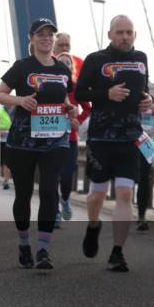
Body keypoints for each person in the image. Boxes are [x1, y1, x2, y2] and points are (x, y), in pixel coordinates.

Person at [0, 18, 76, 269]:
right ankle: (23, 243)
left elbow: (62, 98)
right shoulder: (22, 67)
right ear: (31, 39)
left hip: (55, 140)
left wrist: (68, 108)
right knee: (24, 194)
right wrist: (19, 102)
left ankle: (43, 249)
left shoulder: (62, 70)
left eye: (50, 34)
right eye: (40, 34)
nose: (46, 38)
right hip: (23, 142)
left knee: (50, 191)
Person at [75, 15, 154, 273]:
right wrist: (106, 94)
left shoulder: (141, 58)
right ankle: (94, 224)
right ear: (109, 35)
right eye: (119, 32)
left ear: (135, 35)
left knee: (124, 194)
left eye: (129, 32)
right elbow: (79, 93)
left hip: (131, 136)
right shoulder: (96, 59)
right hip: (100, 137)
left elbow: (145, 91)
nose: (125, 36)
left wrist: (148, 101)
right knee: (97, 193)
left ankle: (117, 252)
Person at [55, 51, 90, 224]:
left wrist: (78, 120)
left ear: (72, 68)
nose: (64, 65)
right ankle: (54, 211)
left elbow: (88, 108)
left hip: (71, 139)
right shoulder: (47, 86)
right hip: (50, 140)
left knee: (67, 176)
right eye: (60, 62)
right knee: (52, 177)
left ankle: (65, 199)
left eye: (67, 63)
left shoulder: (76, 88)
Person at [136, 81, 154, 230]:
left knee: (145, 176)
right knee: (131, 175)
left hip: (149, 137)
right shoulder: (129, 84)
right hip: (132, 134)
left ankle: (141, 216)